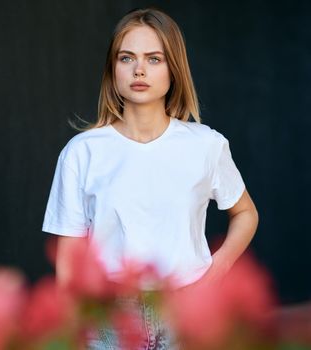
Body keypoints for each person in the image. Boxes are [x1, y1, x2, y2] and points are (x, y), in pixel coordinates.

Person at [41, 7, 259, 350]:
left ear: (173, 68)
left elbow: (246, 213)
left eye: (154, 59)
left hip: (187, 313)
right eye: (127, 58)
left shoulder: (206, 144)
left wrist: (217, 270)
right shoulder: (82, 152)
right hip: (108, 320)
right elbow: (69, 259)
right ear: (113, 69)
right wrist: (74, 329)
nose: (139, 69)